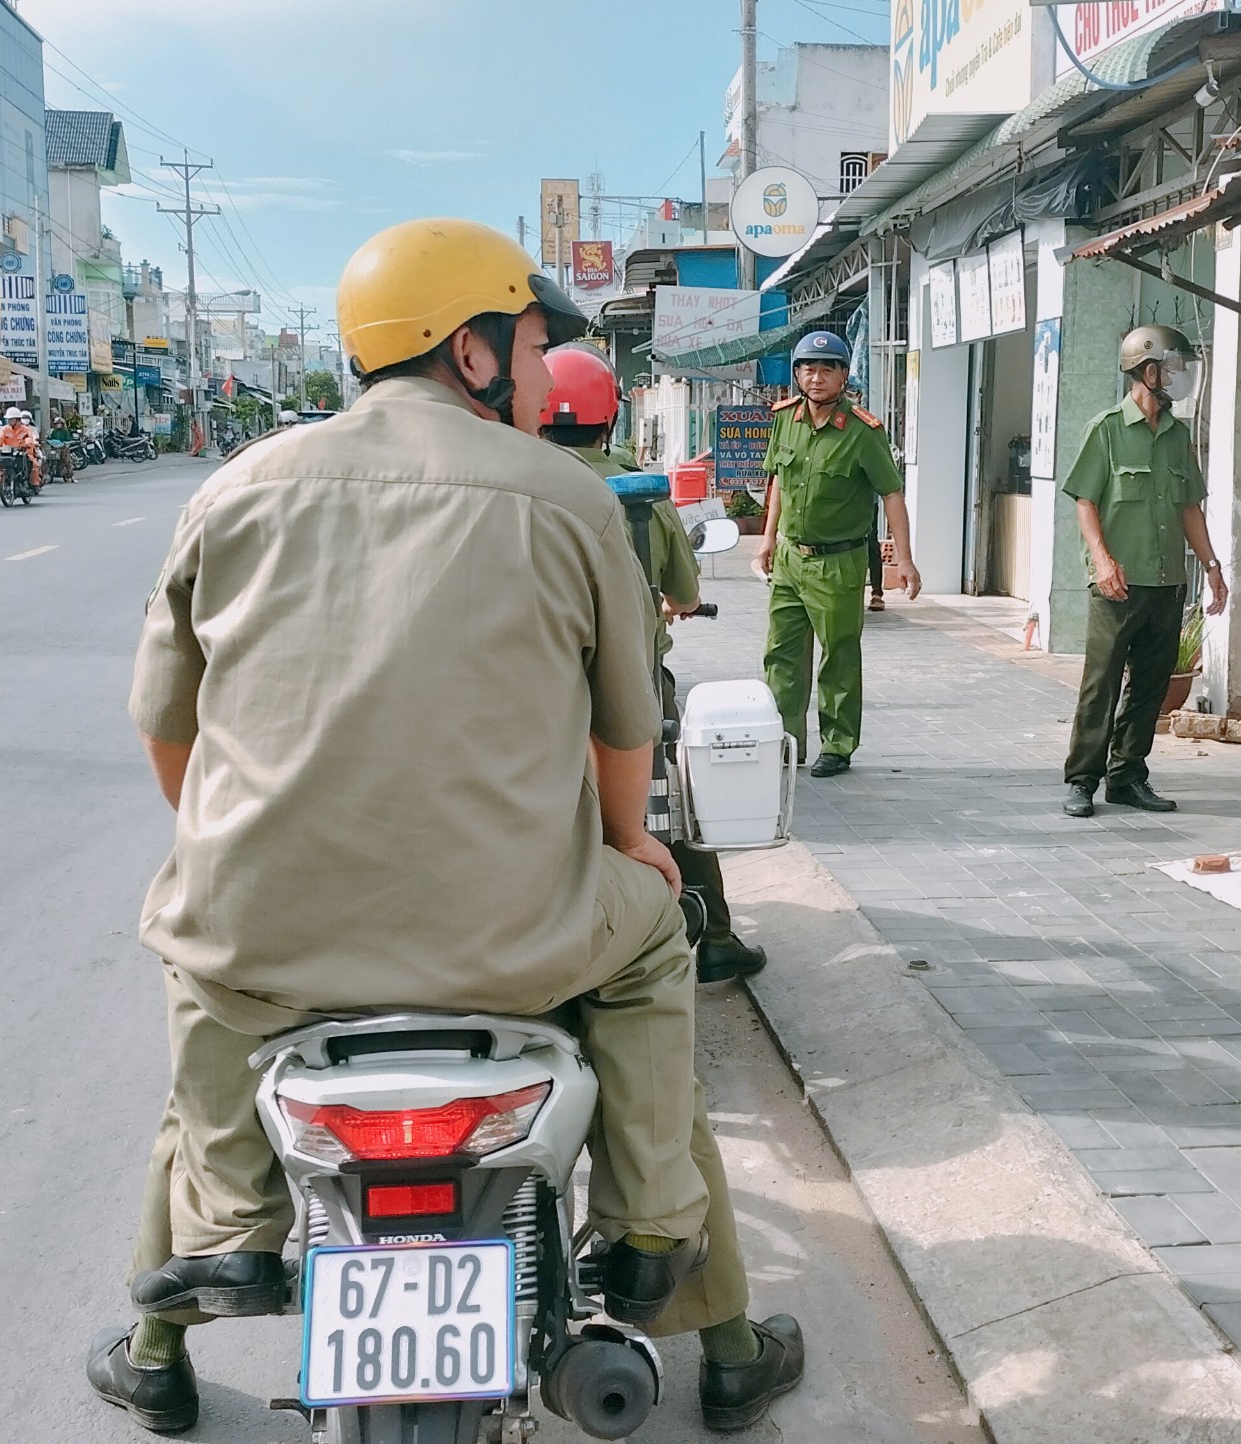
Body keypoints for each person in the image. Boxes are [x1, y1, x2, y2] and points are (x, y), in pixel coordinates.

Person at [87, 217, 802, 1435]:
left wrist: (237, 846)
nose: (539, 377)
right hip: (518, 943)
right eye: (528, 348)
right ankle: (661, 1256)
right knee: (651, 968)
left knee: (203, 980)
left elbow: (171, 733)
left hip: (271, 943)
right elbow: (626, 730)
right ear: (468, 353)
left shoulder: (235, 489)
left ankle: (200, 1276)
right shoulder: (567, 501)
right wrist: (629, 844)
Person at [537, 343, 769, 988]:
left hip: (536, 688)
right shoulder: (639, 496)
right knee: (671, 806)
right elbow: (686, 594)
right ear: (611, 419)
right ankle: (715, 936)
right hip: (634, 684)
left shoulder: (513, 483)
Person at [1059, 325, 1229, 818]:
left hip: (1167, 582)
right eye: (1172, 369)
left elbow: (1189, 509)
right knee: (1101, 685)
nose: (1180, 378)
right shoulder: (1106, 429)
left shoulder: (1177, 436)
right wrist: (1102, 560)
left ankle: (1127, 775)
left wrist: (1212, 566)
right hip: (1117, 584)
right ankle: (1081, 780)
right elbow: (1086, 502)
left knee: (1151, 685)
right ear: (1147, 371)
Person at [754, 331, 917, 779]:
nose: (817, 377)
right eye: (808, 368)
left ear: (844, 375)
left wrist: (904, 560)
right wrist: (767, 539)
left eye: (827, 369)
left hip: (838, 563)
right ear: (797, 375)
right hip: (790, 558)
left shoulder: (864, 432)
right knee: (781, 654)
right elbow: (778, 486)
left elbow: (892, 496)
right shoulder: (785, 419)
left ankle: (838, 744)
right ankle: (785, 743)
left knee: (838, 656)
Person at [0, 407, 42, 490]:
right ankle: (1, 483)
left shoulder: (26, 430)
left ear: (17, 419)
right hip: (7, 454)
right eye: (8, 419)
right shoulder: (4, 429)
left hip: (23, 453)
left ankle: (33, 485)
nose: (9, 421)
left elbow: (29, 439)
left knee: (34, 465)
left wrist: (26, 444)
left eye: (11, 419)